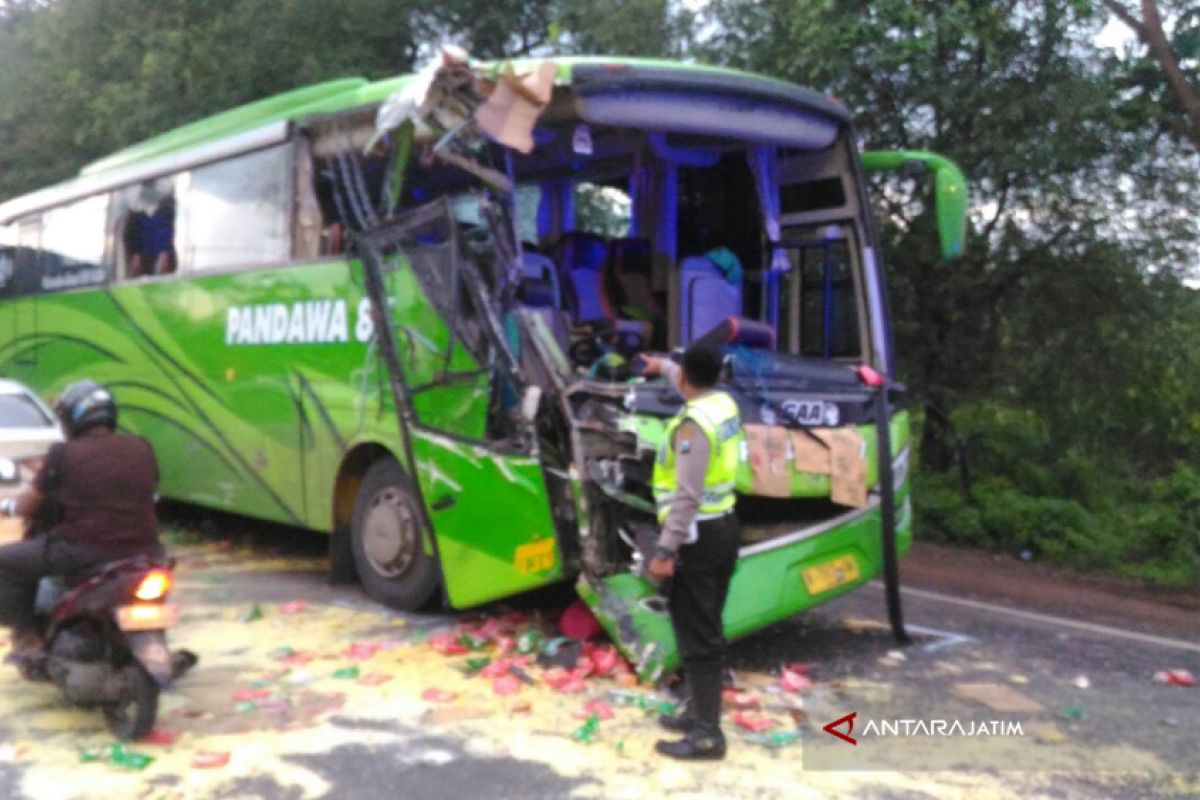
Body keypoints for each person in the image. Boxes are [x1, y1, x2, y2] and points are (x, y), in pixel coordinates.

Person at [0, 381, 163, 665]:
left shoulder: (63, 454)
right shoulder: (141, 447)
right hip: (147, 553)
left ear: (72, 419)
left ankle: (28, 638)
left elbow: (31, 504)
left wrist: (9, 505)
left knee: (7, 562)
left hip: (83, 552)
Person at [641, 343, 742, 760]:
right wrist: (660, 366)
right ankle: (697, 710)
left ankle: (706, 734)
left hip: (695, 538)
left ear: (687, 377)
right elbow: (688, 378)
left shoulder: (692, 427)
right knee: (705, 624)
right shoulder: (723, 404)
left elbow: (687, 495)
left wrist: (665, 550)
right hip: (725, 527)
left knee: (698, 637)